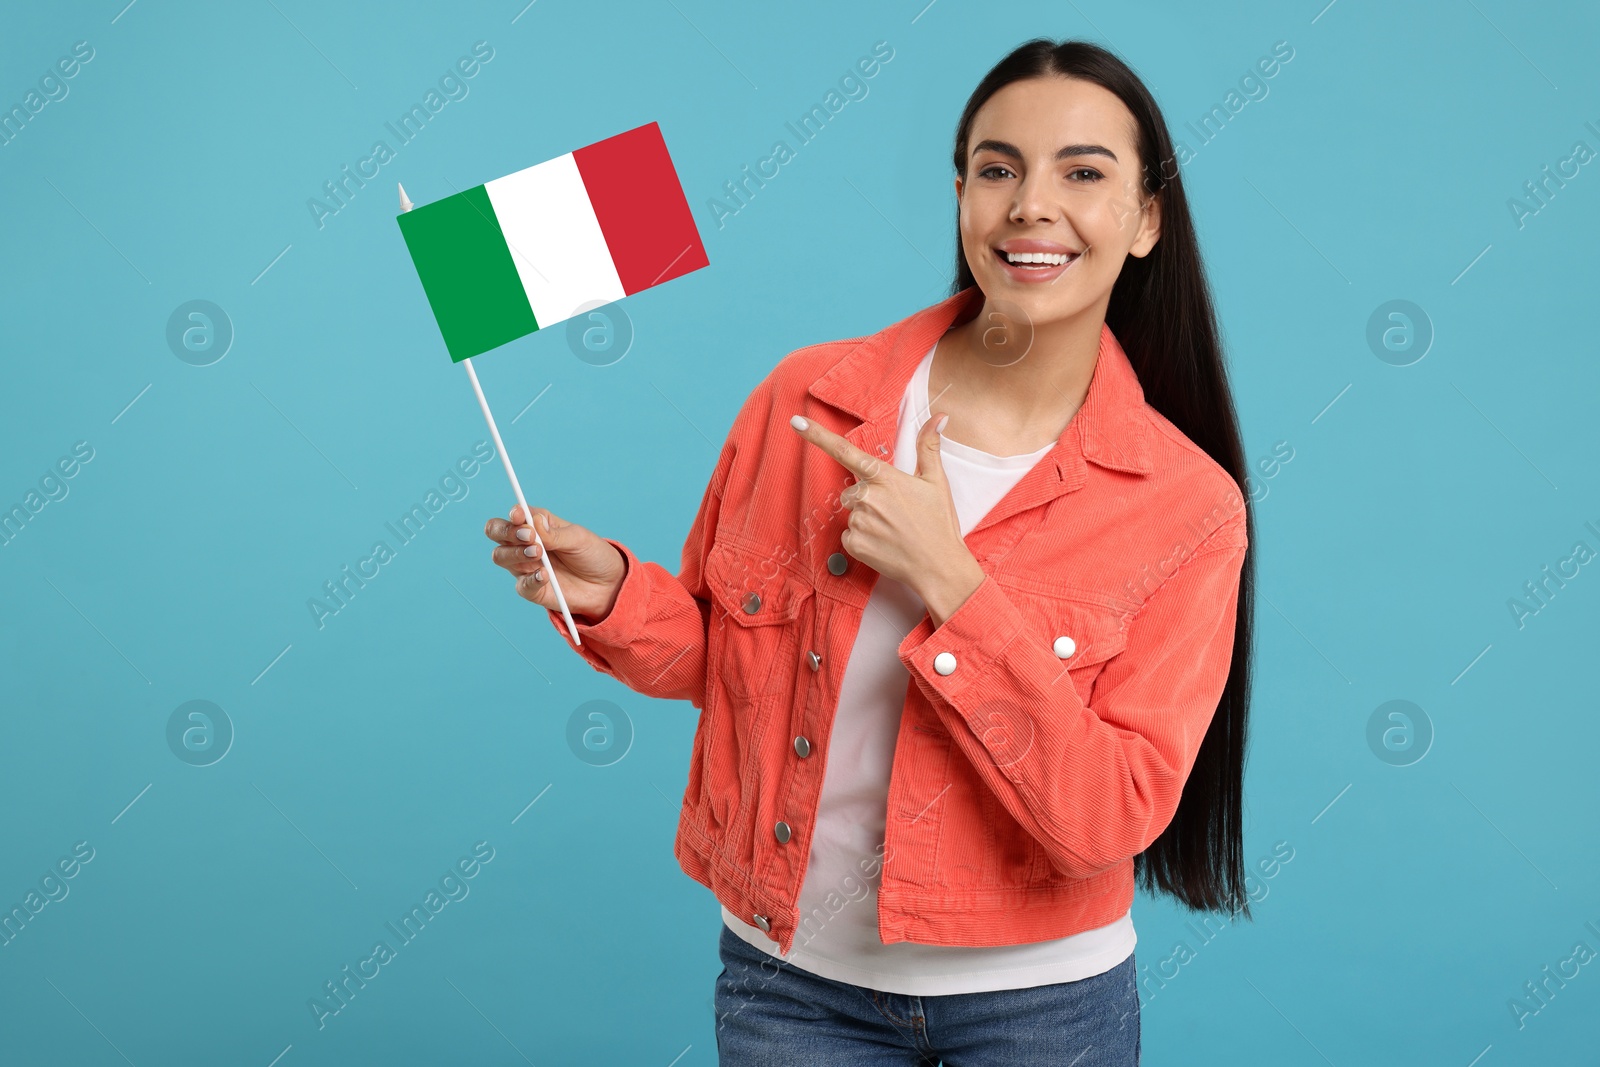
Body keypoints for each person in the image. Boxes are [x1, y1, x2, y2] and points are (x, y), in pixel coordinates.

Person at [484, 37, 1255, 1067]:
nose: (1031, 204)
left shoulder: (1187, 507)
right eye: (996, 169)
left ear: (1147, 219)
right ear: (961, 195)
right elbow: (726, 664)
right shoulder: (805, 400)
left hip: (1038, 1006)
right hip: (788, 985)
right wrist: (617, 595)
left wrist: (952, 579)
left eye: (1083, 172)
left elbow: (1106, 814)